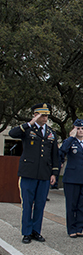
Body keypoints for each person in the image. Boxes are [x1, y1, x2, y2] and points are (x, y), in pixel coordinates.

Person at [9, 103, 59, 244]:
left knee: (40, 204)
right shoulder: (27, 129)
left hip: (44, 174)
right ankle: (26, 232)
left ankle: (36, 231)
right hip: (28, 173)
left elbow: (55, 155)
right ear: (35, 115)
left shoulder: (51, 132)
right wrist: (29, 123)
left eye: (46, 115)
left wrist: (54, 173)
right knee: (27, 204)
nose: (45, 118)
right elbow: (13, 134)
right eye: (42, 115)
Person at [59, 119, 83, 238]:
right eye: (78, 128)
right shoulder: (70, 142)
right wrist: (70, 137)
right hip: (72, 178)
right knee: (71, 204)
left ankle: (80, 228)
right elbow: (62, 151)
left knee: (82, 205)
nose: (80, 131)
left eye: (82, 128)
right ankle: (71, 229)